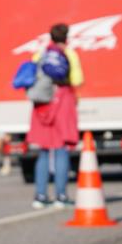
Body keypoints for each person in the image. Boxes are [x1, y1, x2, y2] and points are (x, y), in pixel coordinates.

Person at [27, 23, 84, 209]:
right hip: (62, 103)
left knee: (43, 151)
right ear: (66, 38)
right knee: (61, 150)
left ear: (50, 37)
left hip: (42, 105)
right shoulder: (69, 54)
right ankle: (61, 195)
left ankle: (40, 195)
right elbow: (77, 80)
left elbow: (32, 76)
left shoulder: (40, 54)